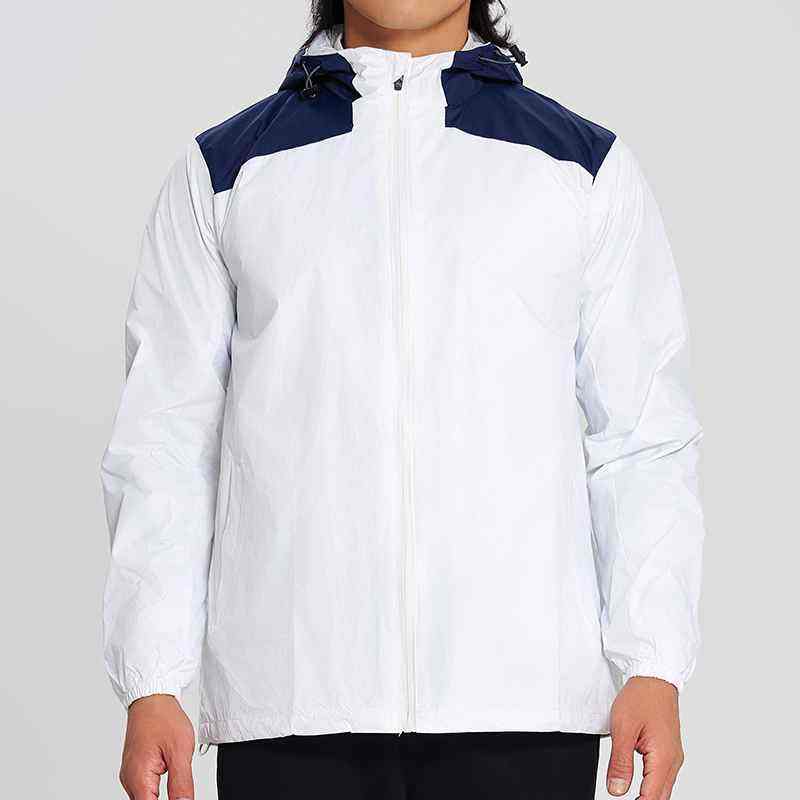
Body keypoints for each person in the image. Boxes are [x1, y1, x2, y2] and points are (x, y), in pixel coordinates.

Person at [101, 2, 705, 798]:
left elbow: (640, 439)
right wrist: (151, 678)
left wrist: (653, 663)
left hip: (523, 702)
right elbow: (167, 442)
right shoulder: (224, 171)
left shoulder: (582, 167)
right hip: (291, 701)